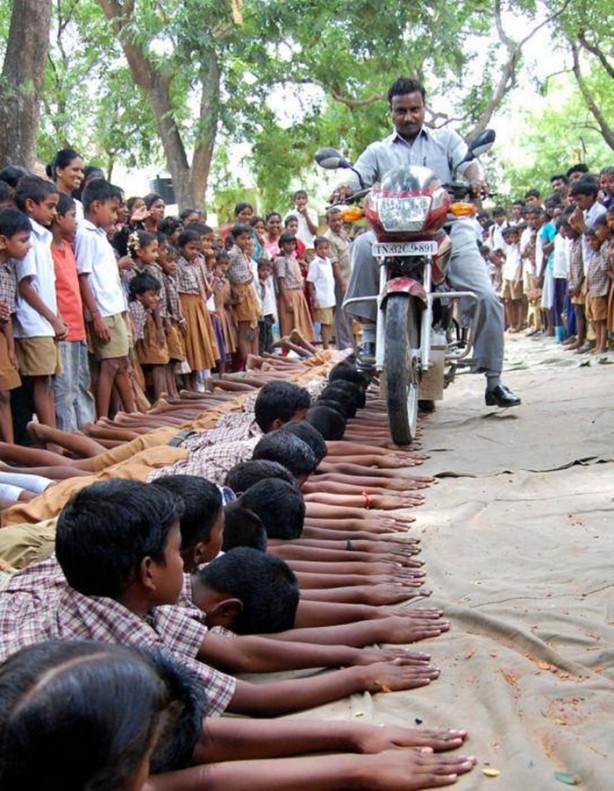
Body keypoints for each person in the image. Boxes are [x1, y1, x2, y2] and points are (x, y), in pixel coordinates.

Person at [336, 76, 520, 408]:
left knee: (486, 297)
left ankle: (494, 379)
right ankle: (369, 338)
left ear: (424, 108)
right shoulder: (378, 150)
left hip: (445, 229)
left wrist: (477, 182)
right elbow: (357, 175)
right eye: (401, 110)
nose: (408, 116)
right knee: (362, 245)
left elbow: (469, 165)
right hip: (390, 234)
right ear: (391, 112)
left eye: (414, 109)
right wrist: (345, 188)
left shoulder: (446, 140)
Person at [76, 178, 135, 417]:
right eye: (112, 210)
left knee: (121, 363)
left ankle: (131, 413)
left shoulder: (100, 235)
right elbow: (83, 276)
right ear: (96, 206)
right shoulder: (86, 234)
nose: (115, 216)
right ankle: (102, 418)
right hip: (103, 310)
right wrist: (96, 315)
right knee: (110, 365)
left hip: (115, 307)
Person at [13, 176, 66, 427]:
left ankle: (52, 436)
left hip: (46, 322)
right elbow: (25, 286)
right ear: (31, 205)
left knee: (48, 382)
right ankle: (50, 439)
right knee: (41, 382)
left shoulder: (42, 237)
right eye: (51, 206)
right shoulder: (27, 239)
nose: (55, 213)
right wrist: (52, 318)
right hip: (34, 323)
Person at [50, 193, 96, 431]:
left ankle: (88, 430)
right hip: (63, 329)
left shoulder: (68, 247)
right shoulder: (47, 248)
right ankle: (69, 437)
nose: (76, 222)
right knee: (65, 389)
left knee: (81, 385)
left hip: (78, 327)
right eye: (72, 216)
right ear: (57, 217)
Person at [0, 208, 31, 443]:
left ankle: (9, 448)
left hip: (2, 338)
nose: (28, 246)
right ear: (3, 241)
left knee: (5, 393)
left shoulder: (10, 269)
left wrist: (10, 347)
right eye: (23, 240)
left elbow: (6, 312)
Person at [274, 231, 315, 343]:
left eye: (293, 244)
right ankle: (289, 349)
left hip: (298, 293)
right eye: (287, 244)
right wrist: (287, 301)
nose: (291, 246)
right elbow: (281, 281)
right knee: (289, 324)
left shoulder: (293, 259)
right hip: (289, 293)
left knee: (300, 323)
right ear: (282, 245)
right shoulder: (280, 260)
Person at [324, 208, 353, 349]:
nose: (337, 223)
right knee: (341, 314)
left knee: (349, 312)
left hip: (350, 278)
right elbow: (334, 263)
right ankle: (344, 345)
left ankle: (350, 343)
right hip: (340, 281)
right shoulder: (328, 238)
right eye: (334, 220)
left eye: (339, 219)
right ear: (328, 222)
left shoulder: (343, 234)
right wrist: (342, 283)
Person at [306, 236, 336, 349]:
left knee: (329, 323)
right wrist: (314, 298)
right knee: (324, 323)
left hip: (330, 297)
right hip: (321, 298)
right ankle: (326, 348)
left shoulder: (328, 261)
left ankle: (327, 345)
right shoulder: (315, 264)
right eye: (321, 248)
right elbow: (310, 282)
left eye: (326, 248)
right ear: (315, 250)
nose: (324, 251)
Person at [46, 148, 85, 221]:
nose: (80, 176)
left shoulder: (79, 207)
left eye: (82, 171)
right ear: (59, 171)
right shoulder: (46, 201)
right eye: (75, 170)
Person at [500, 225, 523, 333]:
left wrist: (518, 278)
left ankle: (519, 323)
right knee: (507, 300)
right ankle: (511, 324)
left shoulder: (519, 247)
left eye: (514, 237)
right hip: (507, 276)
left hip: (515, 276)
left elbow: (519, 264)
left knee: (517, 301)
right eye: (510, 237)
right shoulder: (509, 248)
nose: (512, 239)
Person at [285, 189, 319, 254]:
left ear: (306, 201)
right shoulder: (290, 213)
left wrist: (306, 215)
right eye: (298, 198)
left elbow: (314, 231)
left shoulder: (312, 213)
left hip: (310, 247)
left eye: (303, 198)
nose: (301, 201)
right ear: (294, 201)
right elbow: (284, 229)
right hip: (295, 247)